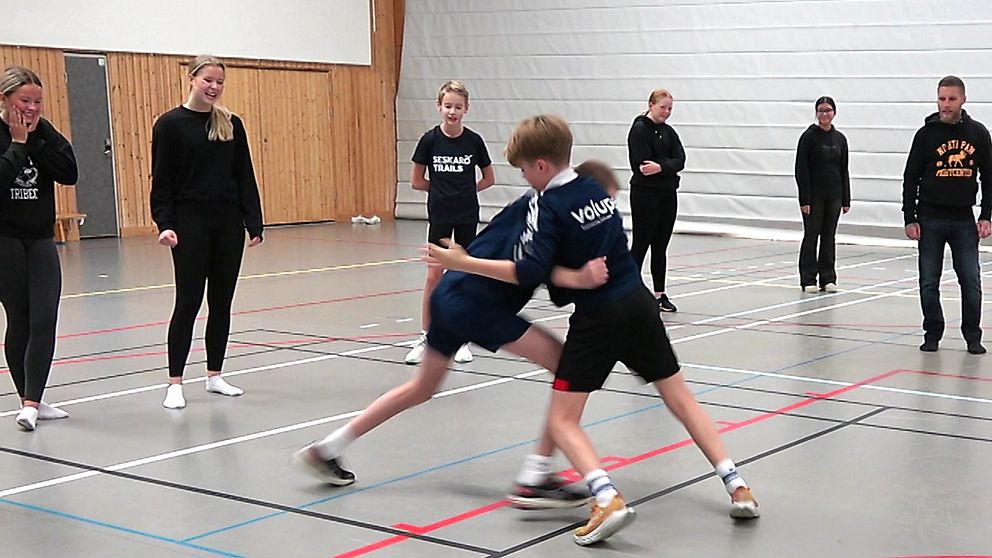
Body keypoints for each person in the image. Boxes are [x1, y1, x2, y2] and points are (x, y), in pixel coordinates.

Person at [430, 115, 759, 547]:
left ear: (543, 166)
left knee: (564, 420)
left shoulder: (547, 206)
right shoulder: (593, 191)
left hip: (599, 318)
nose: (526, 179)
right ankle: (737, 486)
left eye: (526, 170)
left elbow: (529, 270)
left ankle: (606, 498)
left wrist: (465, 263)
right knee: (681, 399)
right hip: (640, 305)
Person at [292, 165, 614, 511]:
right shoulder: (553, 215)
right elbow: (535, 269)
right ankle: (536, 477)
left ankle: (326, 449)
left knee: (421, 388)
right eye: (602, 202)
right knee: (566, 367)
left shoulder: (534, 202)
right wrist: (580, 279)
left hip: (449, 294)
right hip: (478, 303)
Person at [150, 55, 264, 409]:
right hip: (189, 224)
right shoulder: (169, 125)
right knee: (187, 302)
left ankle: (215, 374)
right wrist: (164, 223)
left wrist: (253, 220)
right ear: (191, 79)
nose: (214, 87)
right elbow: (162, 180)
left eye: (219, 82)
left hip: (227, 223)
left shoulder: (231, 123)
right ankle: (175, 382)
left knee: (222, 302)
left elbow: (244, 173)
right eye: (208, 80)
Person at [0, 66, 77, 431]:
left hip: (41, 237)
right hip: (5, 239)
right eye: (24, 101)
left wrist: (33, 141)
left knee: (45, 316)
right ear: (5, 100)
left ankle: (34, 402)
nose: (31, 109)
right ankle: (26, 398)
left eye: (37, 102)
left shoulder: (42, 132)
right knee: (21, 318)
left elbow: (69, 171)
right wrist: (16, 145)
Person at [404, 80, 495, 366]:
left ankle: (461, 339)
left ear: (466, 109)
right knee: (434, 276)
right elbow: (417, 181)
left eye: (458, 107)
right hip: (440, 217)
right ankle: (427, 337)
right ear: (439, 107)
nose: (452, 112)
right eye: (448, 106)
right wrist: (442, 189)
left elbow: (488, 178)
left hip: (467, 217)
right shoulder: (430, 140)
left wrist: (466, 192)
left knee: (464, 277)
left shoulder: (474, 141)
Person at [903, 75, 991, 355]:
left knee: (971, 280)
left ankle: (972, 336)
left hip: (964, 219)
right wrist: (910, 217)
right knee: (929, 281)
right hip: (930, 219)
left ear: (963, 99)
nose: (946, 104)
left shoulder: (978, 133)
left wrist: (986, 214)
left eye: (952, 99)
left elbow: (989, 177)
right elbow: (910, 178)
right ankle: (932, 333)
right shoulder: (926, 134)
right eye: (942, 98)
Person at [626, 88, 686, 313]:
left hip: (667, 194)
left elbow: (680, 159)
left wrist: (662, 166)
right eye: (663, 107)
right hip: (645, 195)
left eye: (670, 108)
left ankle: (660, 294)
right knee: (641, 243)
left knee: (660, 246)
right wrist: (666, 166)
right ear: (651, 105)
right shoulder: (639, 130)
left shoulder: (669, 132)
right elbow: (642, 167)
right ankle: (629, 292)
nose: (667, 112)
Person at [794, 95, 852, 293]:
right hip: (814, 197)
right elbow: (801, 170)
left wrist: (846, 199)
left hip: (834, 195)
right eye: (821, 111)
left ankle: (828, 278)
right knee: (812, 235)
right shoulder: (808, 137)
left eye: (828, 110)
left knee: (829, 237)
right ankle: (808, 278)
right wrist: (805, 199)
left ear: (834, 113)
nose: (825, 114)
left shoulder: (840, 139)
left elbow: (844, 169)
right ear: (816, 113)